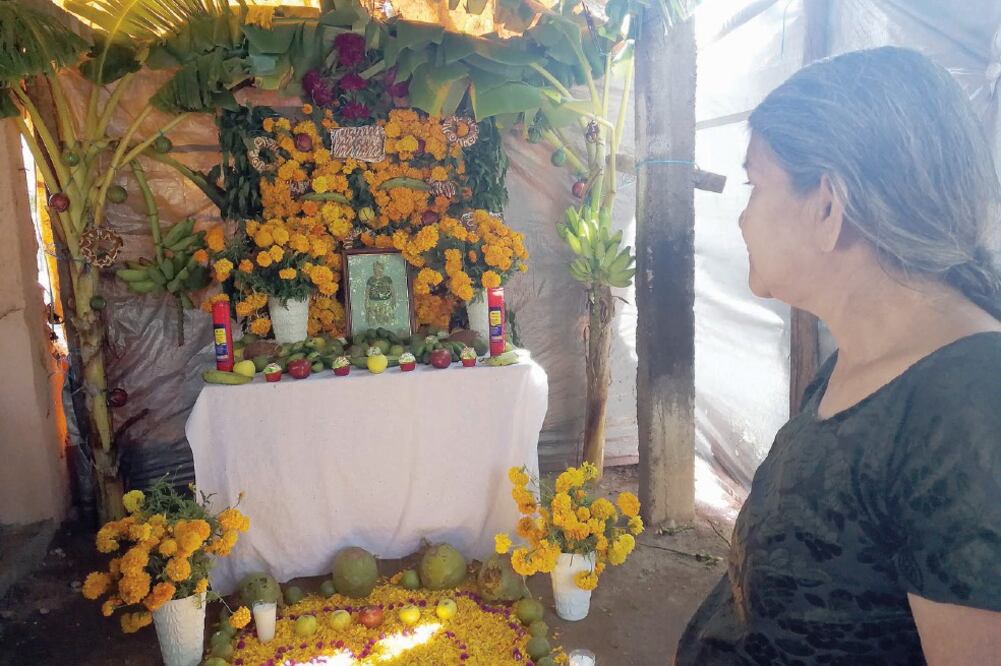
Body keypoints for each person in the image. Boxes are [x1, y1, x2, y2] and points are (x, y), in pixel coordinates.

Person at [677, 47, 1001, 665]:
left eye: (755, 185)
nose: (743, 218)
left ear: (828, 204)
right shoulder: (863, 359)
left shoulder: (969, 413)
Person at [364, 259, 396, 327]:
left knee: (385, 320)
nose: (377, 271)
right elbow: (367, 292)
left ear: (382, 269)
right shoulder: (370, 279)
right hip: (373, 303)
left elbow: (392, 290)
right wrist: (366, 301)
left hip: (386, 303)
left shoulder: (388, 279)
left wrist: (394, 300)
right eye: (375, 269)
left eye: (379, 269)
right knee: (374, 320)